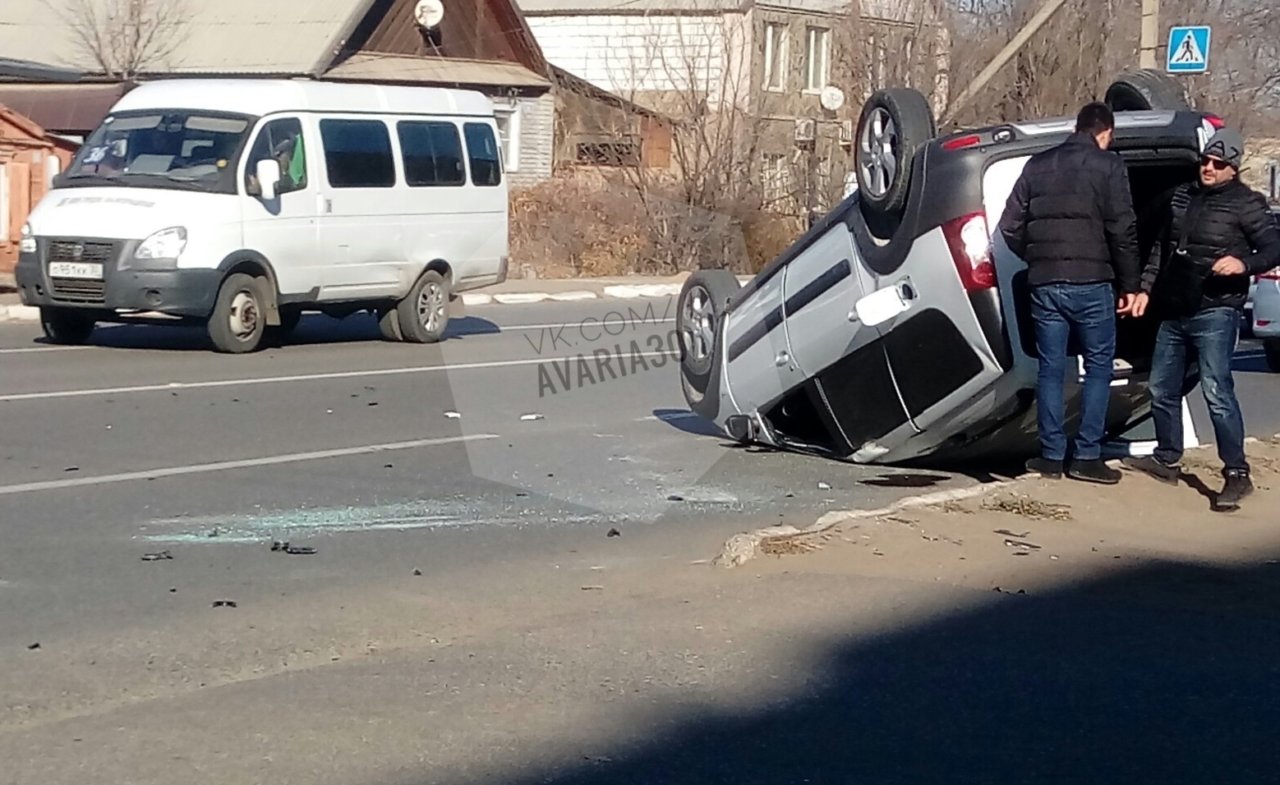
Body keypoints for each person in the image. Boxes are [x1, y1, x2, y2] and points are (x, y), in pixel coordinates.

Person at [1121, 128, 1280, 509]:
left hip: (1217, 309)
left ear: (1233, 169)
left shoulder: (1248, 204)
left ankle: (1237, 473)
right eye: (1205, 161)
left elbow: (1274, 248)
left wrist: (1244, 263)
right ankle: (1167, 457)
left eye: (1218, 164)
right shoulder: (1182, 196)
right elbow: (1161, 248)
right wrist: (1145, 289)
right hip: (1174, 308)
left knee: (1217, 392)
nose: (1208, 168)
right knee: (1161, 388)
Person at [998, 102, 1142, 484]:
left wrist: (1036, 257)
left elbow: (1009, 226)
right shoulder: (1109, 166)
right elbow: (1122, 229)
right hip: (1092, 282)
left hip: (1045, 284)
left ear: (1076, 128)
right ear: (1105, 133)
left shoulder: (1037, 165)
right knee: (1097, 368)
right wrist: (1131, 285)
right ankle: (1087, 456)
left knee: (1051, 369)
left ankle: (1050, 456)